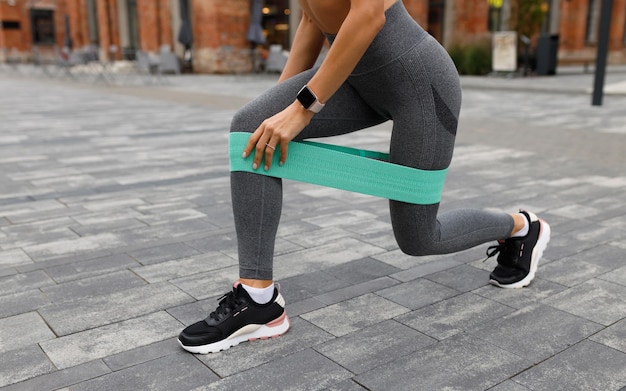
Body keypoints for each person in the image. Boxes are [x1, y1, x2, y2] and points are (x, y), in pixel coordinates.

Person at [178, 0, 551, 354]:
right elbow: (311, 18)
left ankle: (520, 227)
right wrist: (278, 104)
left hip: (420, 84)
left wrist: (302, 108)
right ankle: (258, 300)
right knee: (253, 132)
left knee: (419, 238)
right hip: (354, 77)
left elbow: (369, 14)